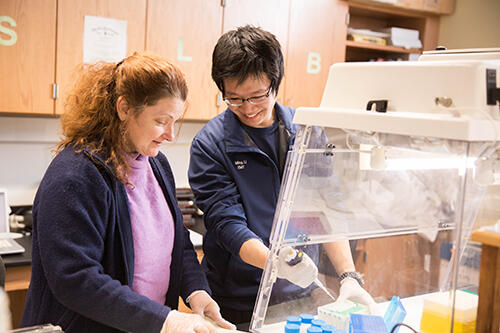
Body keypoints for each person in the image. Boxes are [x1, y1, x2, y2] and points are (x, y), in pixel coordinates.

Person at [21, 52, 234, 333]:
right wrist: (164, 320)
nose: (171, 135)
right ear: (123, 109)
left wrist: (196, 291)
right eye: (161, 121)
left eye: (175, 121)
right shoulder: (76, 174)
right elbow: (76, 279)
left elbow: (178, 242)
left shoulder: (156, 164)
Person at [188, 26, 375, 325]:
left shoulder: (307, 132)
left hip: (301, 293)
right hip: (237, 299)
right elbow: (226, 223)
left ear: (275, 83)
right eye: (234, 99)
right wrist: (274, 263)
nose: (247, 109)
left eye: (257, 96)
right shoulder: (210, 144)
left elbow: (328, 205)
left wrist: (348, 276)